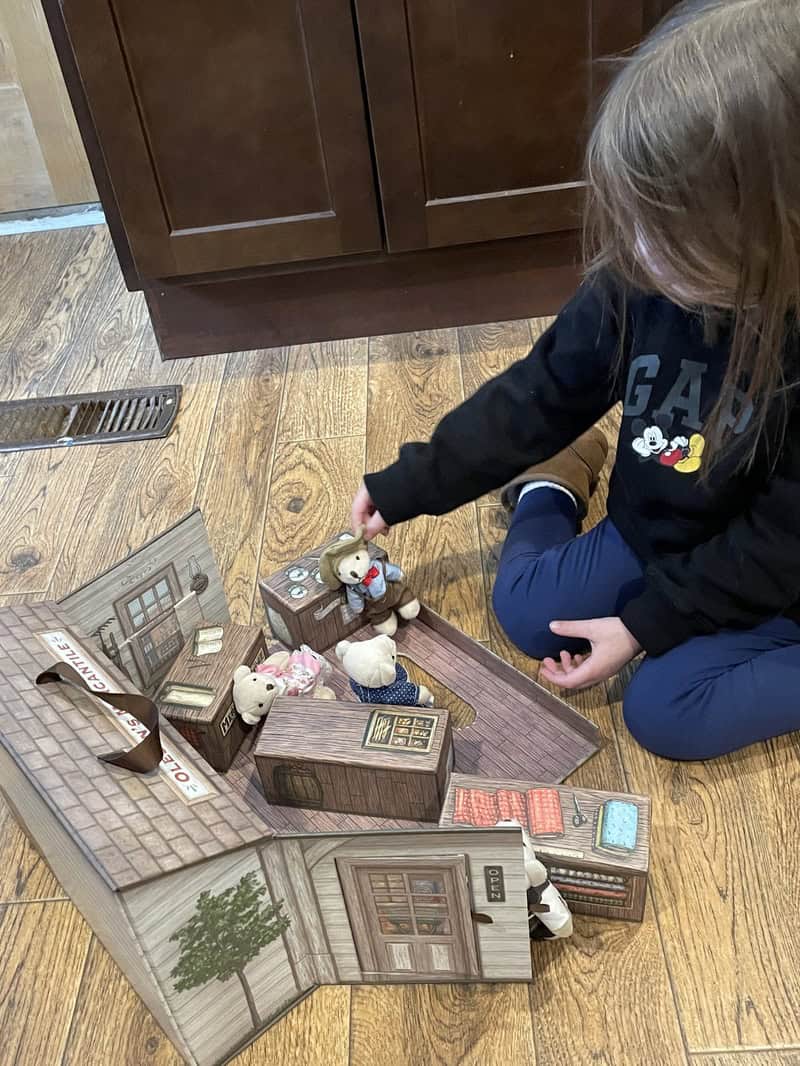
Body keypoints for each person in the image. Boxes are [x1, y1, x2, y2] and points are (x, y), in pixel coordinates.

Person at [350, 0, 800, 762]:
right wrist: (412, 483)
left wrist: (643, 626)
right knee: (526, 612)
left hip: (779, 575)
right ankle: (557, 477)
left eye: (672, 230)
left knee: (665, 711)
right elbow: (542, 390)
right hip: (658, 532)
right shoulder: (639, 279)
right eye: (632, 217)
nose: (635, 248)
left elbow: (780, 544)